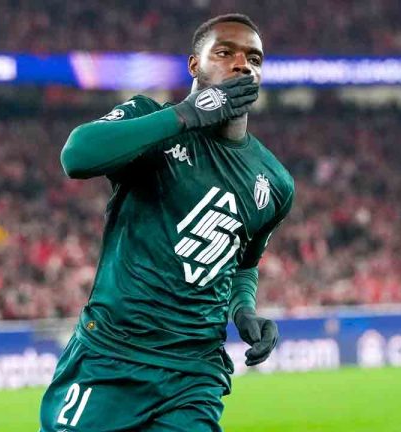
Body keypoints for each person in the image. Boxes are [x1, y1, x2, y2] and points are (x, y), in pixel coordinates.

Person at [39, 13, 294, 431]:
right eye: (225, 53)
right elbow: (76, 156)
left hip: (194, 376)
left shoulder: (275, 182)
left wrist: (243, 309)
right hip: (111, 357)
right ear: (195, 66)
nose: (242, 65)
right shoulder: (149, 121)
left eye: (254, 58)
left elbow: (243, 265)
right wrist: (188, 115)